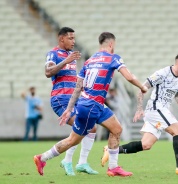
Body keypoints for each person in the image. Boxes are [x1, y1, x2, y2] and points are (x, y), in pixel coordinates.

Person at [33, 32, 148, 177]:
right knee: (73, 140)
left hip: (95, 104)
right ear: (111, 44)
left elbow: (78, 87)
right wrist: (142, 87)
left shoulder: (90, 60)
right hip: (90, 107)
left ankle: (113, 167)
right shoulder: (113, 58)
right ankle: (42, 158)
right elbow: (129, 77)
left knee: (117, 129)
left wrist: (69, 109)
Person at [101, 50, 178, 175]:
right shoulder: (162, 73)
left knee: (146, 145)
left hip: (162, 110)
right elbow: (142, 89)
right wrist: (139, 109)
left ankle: (111, 150)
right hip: (156, 108)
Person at [43, 27, 98, 175]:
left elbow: (72, 78)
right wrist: (66, 61)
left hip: (73, 99)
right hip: (60, 99)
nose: (74, 41)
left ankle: (82, 162)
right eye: (70, 38)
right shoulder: (53, 54)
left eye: (74, 38)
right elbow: (48, 72)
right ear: (61, 39)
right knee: (82, 127)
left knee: (92, 128)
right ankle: (67, 160)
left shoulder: (71, 56)